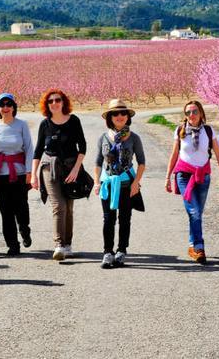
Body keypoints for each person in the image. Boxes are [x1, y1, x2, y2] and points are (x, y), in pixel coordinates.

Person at [164, 100, 219, 264]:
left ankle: (192, 245)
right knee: (194, 212)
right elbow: (174, 154)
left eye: (194, 111)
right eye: (188, 112)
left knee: (197, 212)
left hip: (203, 175)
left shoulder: (208, 130)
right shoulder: (180, 131)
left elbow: (218, 153)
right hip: (184, 175)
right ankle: (199, 248)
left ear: (201, 113)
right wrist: (168, 177)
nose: (191, 115)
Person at [31, 89, 87, 261]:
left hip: (71, 167)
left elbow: (82, 146)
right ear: (47, 105)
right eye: (50, 101)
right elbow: (38, 150)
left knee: (69, 207)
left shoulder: (74, 121)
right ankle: (58, 245)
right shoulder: (45, 124)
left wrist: (77, 169)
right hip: (50, 167)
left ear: (63, 102)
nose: (54, 103)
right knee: (58, 205)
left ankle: (68, 244)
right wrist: (33, 175)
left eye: (58, 100)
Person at [93, 99, 146, 269]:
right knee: (108, 219)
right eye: (115, 114)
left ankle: (121, 251)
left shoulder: (134, 138)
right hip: (108, 184)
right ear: (110, 117)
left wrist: (136, 183)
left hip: (126, 184)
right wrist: (96, 182)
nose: (120, 116)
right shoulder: (103, 138)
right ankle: (107, 252)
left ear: (127, 117)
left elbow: (142, 162)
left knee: (125, 219)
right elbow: (98, 162)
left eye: (123, 113)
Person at [0, 93, 34, 256]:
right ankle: (12, 244)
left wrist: (29, 172)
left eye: (8, 105)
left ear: (13, 107)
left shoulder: (21, 125)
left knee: (21, 207)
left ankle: (24, 230)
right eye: (2, 105)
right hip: (0, 174)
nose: (5, 108)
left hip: (19, 173)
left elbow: (29, 149)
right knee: (6, 210)